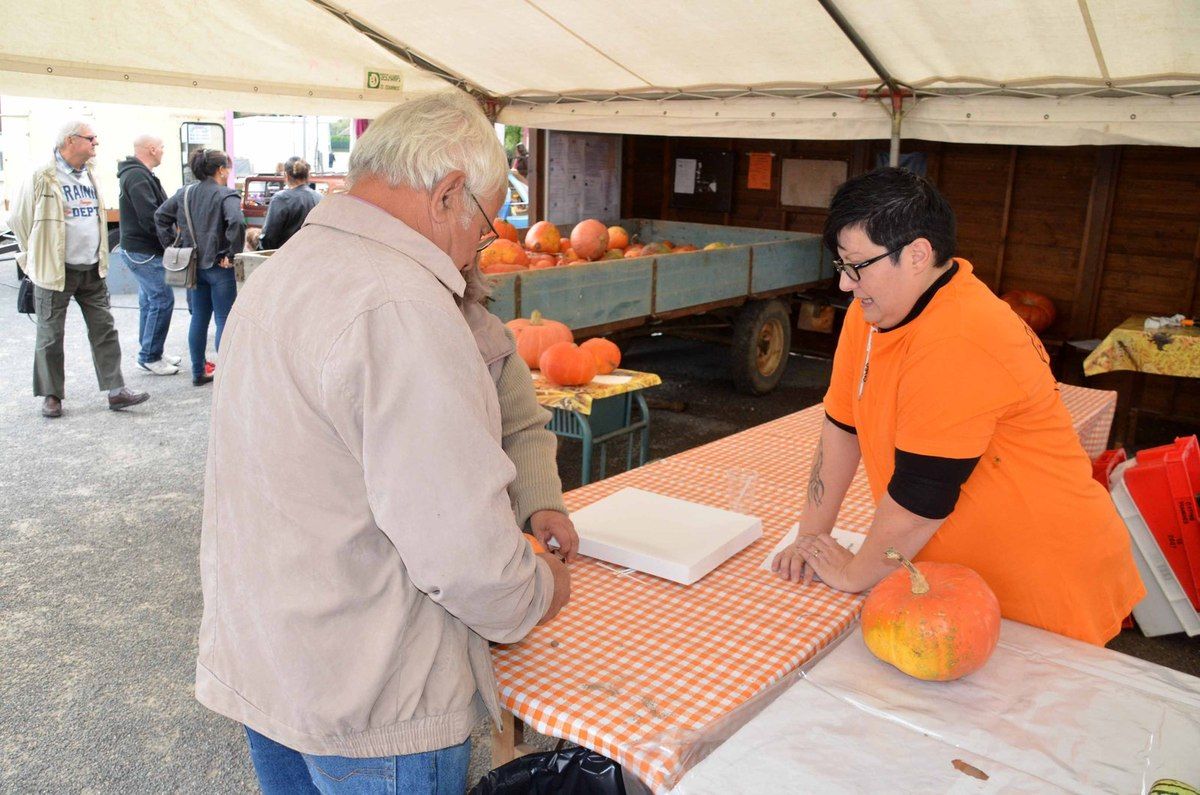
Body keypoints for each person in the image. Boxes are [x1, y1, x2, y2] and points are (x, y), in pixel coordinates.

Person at [194, 91, 571, 795]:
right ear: (448, 194)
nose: (477, 248)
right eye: (484, 224)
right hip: (372, 696)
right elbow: (465, 554)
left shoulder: (288, 270)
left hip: (275, 662)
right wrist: (540, 590)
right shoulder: (401, 305)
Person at [771, 167, 1143, 646]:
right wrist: (810, 539)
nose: (845, 285)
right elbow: (842, 428)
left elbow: (922, 500)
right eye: (842, 266)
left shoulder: (963, 334)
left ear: (918, 254)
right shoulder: (872, 314)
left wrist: (854, 572)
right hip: (953, 575)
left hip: (1039, 583)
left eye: (857, 265)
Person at [8, 120, 149, 418]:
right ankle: (52, 396)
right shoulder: (43, 175)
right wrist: (35, 258)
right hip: (55, 272)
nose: (96, 143)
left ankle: (115, 390)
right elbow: (19, 220)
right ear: (70, 141)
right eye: (90, 138)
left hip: (92, 270)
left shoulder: (90, 175)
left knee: (105, 329)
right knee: (50, 335)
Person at [154, 148, 244, 386]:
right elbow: (236, 222)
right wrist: (231, 253)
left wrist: (173, 246)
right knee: (224, 317)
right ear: (221, 169)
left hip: (192, 265)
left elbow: (161, 216)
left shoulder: (184, 193)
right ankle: (226, 376)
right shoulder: (227, 195)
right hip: (220, 265)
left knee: (199, 318)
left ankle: (198, 372)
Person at [117, 134, 180, 375]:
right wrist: (170, 242)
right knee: (162, 299)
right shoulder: (137, 176)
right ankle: (150, 356)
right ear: (152, 149)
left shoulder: (139, 174)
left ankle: (151, 350)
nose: (163, 151)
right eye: (162, 147)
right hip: (143, 250)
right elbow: (151, 216)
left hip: (141, 249)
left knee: (148, 301)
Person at [256, 156, 321, 250]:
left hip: (285, 257)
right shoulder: (320, 198)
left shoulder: (281, 199)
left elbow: (269, 236)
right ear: (308, 175)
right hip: (313, 255)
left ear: (286, 175)